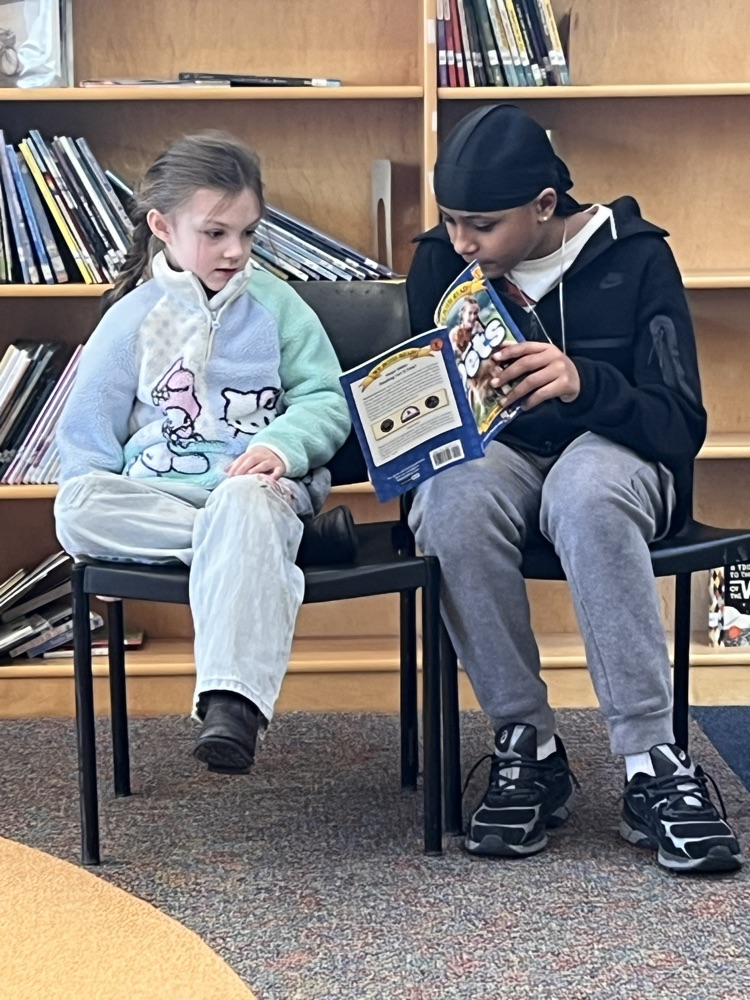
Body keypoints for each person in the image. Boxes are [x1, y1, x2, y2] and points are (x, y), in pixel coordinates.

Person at [406, 104, 743, 874]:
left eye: (481, 225)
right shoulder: (440, 262)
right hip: (503, 456)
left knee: (585, 494)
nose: (461, 243)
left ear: (544, 206)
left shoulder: (638, 256)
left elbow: (678, 422)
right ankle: (528, 743)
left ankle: (652, 760)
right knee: (449, 500)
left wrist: (582, 382)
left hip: (620, 455)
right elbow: (422, 409)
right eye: (451, 219)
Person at [54, 130, 351, 775]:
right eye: (215, 233)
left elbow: (328, 400)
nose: (234, 251)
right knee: (75, 506)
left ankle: (230, 704)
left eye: (247, 233)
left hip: (255, 486)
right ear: (162, 226)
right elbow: (86, 434)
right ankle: (281, 546)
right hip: (160, 494)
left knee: (244, 506)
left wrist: (282, 444)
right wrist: (98, 495)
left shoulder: (279, 308)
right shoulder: (131, 317)